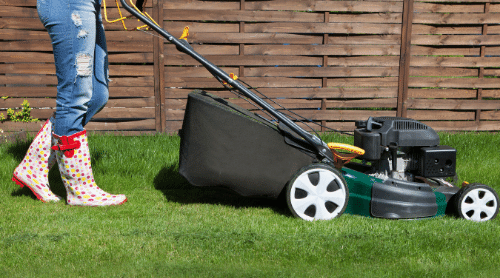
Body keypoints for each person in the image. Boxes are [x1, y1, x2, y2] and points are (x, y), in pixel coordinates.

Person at [12, 0, 127, 206]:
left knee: (97, 95)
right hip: (69, 4)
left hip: (91, 4)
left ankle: (34, 168)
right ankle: (79, 189)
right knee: (75, 95)